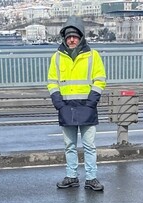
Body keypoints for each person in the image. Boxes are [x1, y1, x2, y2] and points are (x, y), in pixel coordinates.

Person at [47, 17, 107, 192]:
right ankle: (71, 176)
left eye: (75, 36)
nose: (72, 40)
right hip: (66, 106)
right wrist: (59, 103)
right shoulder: (57, 57)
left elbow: (100, 79)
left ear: (81, 37)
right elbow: (52, 82)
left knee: (89, 146)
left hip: (86, 106)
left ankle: (91, 178)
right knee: (69, 145)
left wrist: (91, 102)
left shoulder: (93, 55)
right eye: (69, 37)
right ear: (64, 39)